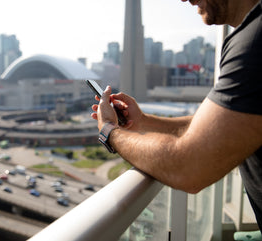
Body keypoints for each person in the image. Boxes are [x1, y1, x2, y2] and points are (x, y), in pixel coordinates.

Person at [91, 0, 262, 230]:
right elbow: (224, 125)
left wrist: (110, 131)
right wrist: (144, 122)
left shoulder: (254, 44)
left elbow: (188, 168)